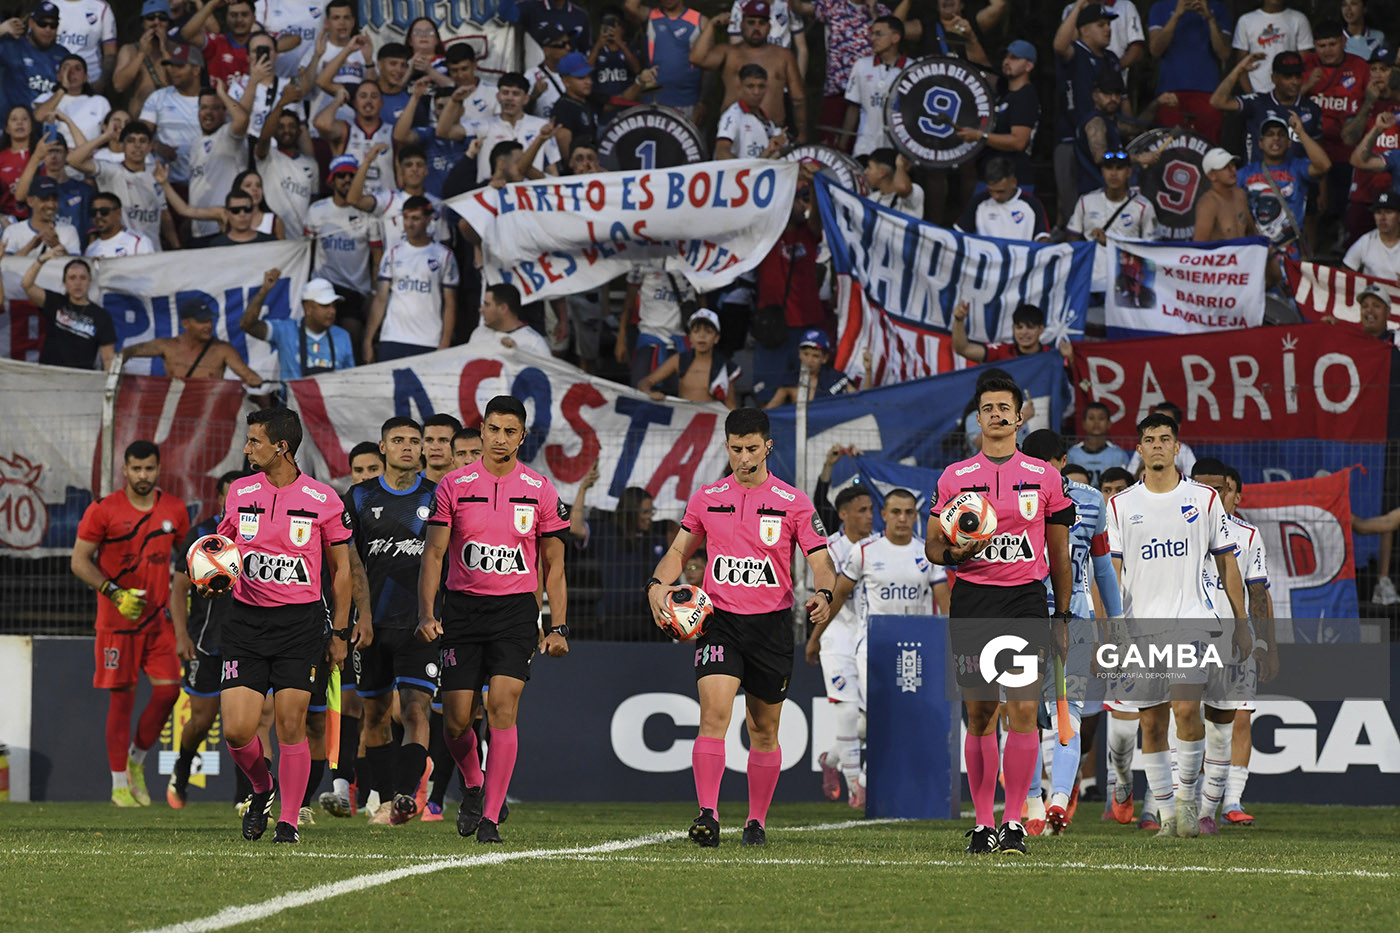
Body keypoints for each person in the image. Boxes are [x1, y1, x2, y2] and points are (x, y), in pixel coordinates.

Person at [647, 406, 835, 847]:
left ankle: (755, 822)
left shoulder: (794, 502)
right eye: (736, 448)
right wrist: (658, 584)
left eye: (752, 448)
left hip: (770, 627)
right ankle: (707, 816)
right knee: (713, 716)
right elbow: (678, 551)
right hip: (720, 621)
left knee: (763, 730)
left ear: (768, 446)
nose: (744, 457)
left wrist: (824, 594)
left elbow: (822, 562)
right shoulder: (707, 497)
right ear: (727, 446)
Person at [927, 375, 1075, 856]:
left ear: (1018, 415)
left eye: (1002, 407)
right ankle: (983, 823)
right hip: (973, 599)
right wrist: (955, 552)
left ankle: (1014, 822)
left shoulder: (1043, 475)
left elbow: (1059, 552)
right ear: (978, 416)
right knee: (981, 713)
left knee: (1025, 710)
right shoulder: (954, 477)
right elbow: (932, 545)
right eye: (986, 407)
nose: (994, 414)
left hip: (1025, 602)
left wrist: (1064, 613)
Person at [418, 395, 571, 843]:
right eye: (493, 429)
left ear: (522, 437)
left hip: (515, 613)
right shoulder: (454, 486)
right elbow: (434, 553)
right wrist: (427, 612)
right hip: (462, 611)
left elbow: (554, 566)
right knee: (456, 721)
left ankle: (489, 817)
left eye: (510, 431)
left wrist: (557, 625)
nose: (500, 438)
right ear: (481, 431)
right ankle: (473, 782)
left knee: (503, 708)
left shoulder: (540, 490)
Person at [211, 408, 357, 844]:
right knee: (238, 731)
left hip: (299, 625)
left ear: (282, 448)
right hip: (245, 622)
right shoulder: (239, 491)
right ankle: (262, 787)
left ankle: (289, 822)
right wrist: (211, 578)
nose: (246, 448)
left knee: (290, 725)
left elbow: (342, 572)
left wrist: (340, 633)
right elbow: (223, 549)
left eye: (254, 441)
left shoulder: (323, 499)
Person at [1105, 413, 1248, 839]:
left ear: (1176, 446)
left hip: (1193, 622)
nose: (1157, 446)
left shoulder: (1203, 499)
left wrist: (1242, 621)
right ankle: (1168, 818)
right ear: (1140, 449)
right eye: (1149, 440)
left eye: (1165, 439)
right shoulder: (1120, 505)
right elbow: (1111, 570)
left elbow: (1226, 560)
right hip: (1140, 628)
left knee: (1186, 710)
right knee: (1150, 723)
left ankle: (1189, 806)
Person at [812, 488, 949, 809]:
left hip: (915, 648)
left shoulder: (926, 554)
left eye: (909, 513)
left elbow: (945, 600)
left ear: (917, 517)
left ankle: (838, 761)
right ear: (884, 515)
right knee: (888, 715)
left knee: (880, 720)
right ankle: (861, 783)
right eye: (896, 512)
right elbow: (840, 595)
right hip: (873, 646)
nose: (903, 519)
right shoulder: (864, 551)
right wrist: (816, 636)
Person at [70, 440, 190, 807]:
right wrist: (114, 591)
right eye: (136, 469)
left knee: (169, 691)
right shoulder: (103, 510)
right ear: (125, 469)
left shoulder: (174, 509)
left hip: (158, 621)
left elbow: (186, 563)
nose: (143, 475)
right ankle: (118, 783)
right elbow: (79, 561)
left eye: (149, 469)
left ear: (158, 469)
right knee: (121, 702)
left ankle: (135, 762)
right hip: (116, 622)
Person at [1018, 429, 1122, 836]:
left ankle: (1034, 806)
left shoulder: (1011, 497)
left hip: (1022, 617)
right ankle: (1060, 796)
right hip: (1075, 617)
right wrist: (1115, 623)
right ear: (1064, 459)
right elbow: (1102, 569)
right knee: (1068, 711)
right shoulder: (1092, 500)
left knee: (1022, 716)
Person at [344, 417, 439, 825]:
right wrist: (361, 616)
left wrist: (434, 613)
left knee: (418, 710)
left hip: (421, 624)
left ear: (422, 449)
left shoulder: (439, 496)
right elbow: (351, 562)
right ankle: (384, 800)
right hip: (373, 625)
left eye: (414, 441)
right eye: (397, 440)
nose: (407, 447)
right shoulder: (360, 497)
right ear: (382, 447)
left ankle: (404, 795)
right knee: (376, 715)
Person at [1189, 459, 1274, 833]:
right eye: (1204, 488)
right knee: (1185, 715)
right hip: (1184, 637)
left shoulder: (1247, 535)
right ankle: (1182, 803)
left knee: (1235, 719)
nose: (1213, 496)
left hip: (1234, 641)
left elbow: (1258, 591)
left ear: (1232, 493)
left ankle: (1228, 801)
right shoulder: (1177, 528)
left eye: (1220, 489)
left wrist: (1267, 644)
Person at [167, 470, 242, 808]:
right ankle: (182, 769)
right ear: (219, 498)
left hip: (249, 642)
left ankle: (248, 797)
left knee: (249, 722)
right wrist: (182, 636)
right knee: (202, 719)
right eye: (228, 495)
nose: (233, 502)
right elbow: (179, 589)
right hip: (206, 643)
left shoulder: (260, 532)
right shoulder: (201, 534)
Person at [805, 483, 871, 804]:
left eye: (872, 510)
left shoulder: (878, 547)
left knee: (868, 719)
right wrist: (815, 638)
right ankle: (854, 787)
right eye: (862, 510)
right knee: (846, 710)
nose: (870, 516)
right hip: (836, 637)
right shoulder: (829, 549)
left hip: (869, 637)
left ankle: (830, 760)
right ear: (843, 514)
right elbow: (822, 596)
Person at [788, 0, 896, 148]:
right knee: (832, 149)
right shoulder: (833, 5)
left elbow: (893, 41)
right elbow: (799, 8)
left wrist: (874, 13)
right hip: (837, 91)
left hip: (870, 95)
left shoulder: (882, 11)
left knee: (865, 150)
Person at [364, 195, 459, 362]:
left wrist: (445, 342)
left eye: (416, 218)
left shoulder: (444, 255)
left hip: (428, 340)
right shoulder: (393, 253)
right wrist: (368, 339)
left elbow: (450, 303)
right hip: (393, 338)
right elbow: (380, 299)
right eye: (406, 218)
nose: (409, 224)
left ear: (429, 219)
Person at [304, 154, 384, 351]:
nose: (347, 179)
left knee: (352, 340)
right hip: (324, 284)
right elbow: (306, 251)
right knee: (318, 342)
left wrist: (373, 293)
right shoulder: (316, 209)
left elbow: (377, 257)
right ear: (332, 181)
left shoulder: (368, 213)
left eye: (352, 175)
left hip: (356, 290)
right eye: (341, 175)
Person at [1053, 2, 1122, 224]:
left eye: (1108, 24)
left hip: (1105, 142)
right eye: (1100, 25)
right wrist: (1079, 6)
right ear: (1084, 30)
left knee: (1104, 207)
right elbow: (1058, 46)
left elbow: (1124, 99)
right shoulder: (1076, 52)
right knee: (1072, 209)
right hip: (1070, 139)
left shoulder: (1111, 59)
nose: (1108, 29)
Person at [692, 3, 804, 139]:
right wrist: (711, 25)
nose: (756, 28)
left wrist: (802, 134)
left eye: (761, 23)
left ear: (769, 27)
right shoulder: (728, 52)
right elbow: (696, 58)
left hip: (772, 135)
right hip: (733, 135)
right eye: (751, 22)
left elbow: (798, 99)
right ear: (741, 25)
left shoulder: (784, 56)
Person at [68, 119, 176, 250]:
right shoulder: (111, 171)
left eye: (142, 141)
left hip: (151, 252)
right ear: (122, 145)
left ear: (149, 147)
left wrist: (176, 246)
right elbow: (73, 160)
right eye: (131, 141)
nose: (137, 146)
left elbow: (164, 214)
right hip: (120, 252)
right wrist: (105, 137)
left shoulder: (157, 173)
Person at [1067, 150, 1163, 295]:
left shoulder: (1143, 206)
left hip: (1123, 287)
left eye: (1119, 168)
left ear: (1129, 172)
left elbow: (1151, 251)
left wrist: (1110, 242)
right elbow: (1072, 242)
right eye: (1109, 168)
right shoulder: (1086, 201)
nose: (1113, 174)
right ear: (1102, 171)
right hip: (1089, 284)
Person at [1238, 112, 1330, 261]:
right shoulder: (1245, 173)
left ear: (1289, 142)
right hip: (1255, 253)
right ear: (1260, 143)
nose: (1276, 138)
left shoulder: (1298, 167)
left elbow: (1324, 165)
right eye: (1270, 134)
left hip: (1291, 253)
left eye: (1281, 134)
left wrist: (1301, 133)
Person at [1211, 50, 1324, 163]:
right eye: (1288, 76)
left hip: (1297, 179)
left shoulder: (1313, 109)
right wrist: (1239, 69)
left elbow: (1318, 157)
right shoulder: (1257, 102)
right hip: (1257, 178)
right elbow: (1217, 101)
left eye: (1298, 76)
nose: (1294, 81)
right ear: (1274, 78)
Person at [241, 270, 356, 381]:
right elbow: (247, 325)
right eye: (325, 305)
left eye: (334, 305)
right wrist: (264, 290)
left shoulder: (343, 336)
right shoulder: (285, 331)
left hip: (331, 400)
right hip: (294, 401)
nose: (332, 311)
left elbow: (348, 380)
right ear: (308, 308)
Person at [121, 297, 265, 384]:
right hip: (177, 415)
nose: (208, 326)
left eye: (209, 321)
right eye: (202, 321)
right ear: (185, 324)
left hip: (209, 414)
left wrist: (254, 381)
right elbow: (133, 350)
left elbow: (248, 376)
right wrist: (122, 356)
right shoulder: (168, 346)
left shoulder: (222, 350)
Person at [1147, 0, 1233, 142]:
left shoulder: (1218, 8)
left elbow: (1224, 53)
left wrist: (1210, 18)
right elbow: (1155, 50)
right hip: (1171, 91)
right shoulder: (1160, 7)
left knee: (1207, 148)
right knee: (1170, 147)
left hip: (1209, 92)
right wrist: (1176, 15)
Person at [957, 39, 1039, 186]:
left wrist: (979, 136)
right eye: (1006, 56)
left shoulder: (1025, 96)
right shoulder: (1005, 94)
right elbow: (981, 65)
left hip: (1012, 182)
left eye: (1014, 58)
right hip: (991, 176)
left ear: (1029, 66)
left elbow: (1018, 142)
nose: (1007, 61)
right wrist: (968, 35)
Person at [346, 141, 450, 253]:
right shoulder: (388, 200)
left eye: (419, 165)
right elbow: (353, 200)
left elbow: (444, 243)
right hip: (395, 269)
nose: (415, 169)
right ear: (401, 171)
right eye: (408, 165)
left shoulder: (437, 204)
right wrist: (367, 161)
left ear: (426, 170)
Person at [18, 253, 112, 368]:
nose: (78, 283)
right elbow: (26, 285)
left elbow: (108, 358)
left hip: (81, 380)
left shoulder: (101, 316)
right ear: (65, 282)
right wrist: (41, 260)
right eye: (72, 278)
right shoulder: (55, 302)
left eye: (83, 278)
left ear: (89, 282)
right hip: (49, 375)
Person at [639, 307, 740, 407]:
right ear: (690, 337)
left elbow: (731, 405)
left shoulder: (723, 367)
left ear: (716, 338)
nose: (702, 336)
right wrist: (649, 393)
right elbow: (645, 382)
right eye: (696, 331)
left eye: (708, 332)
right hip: (684, 419)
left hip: (710, 420)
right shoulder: (679, 360)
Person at [623, 0, 706, 122]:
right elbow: (630, 6)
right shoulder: (650, 16)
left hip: (689, 103)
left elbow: (709, 69)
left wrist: (703, 103)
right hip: (654, 101)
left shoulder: (701, 21)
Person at [252, 86, 316, 237]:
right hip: (270, 235)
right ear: (274, 130)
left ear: (299, 131)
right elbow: (263, 139)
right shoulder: (267, 157)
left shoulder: (312, 165)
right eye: (280, 127)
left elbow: (314, 204)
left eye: (292, 126)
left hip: (300, 241)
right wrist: (281, 104)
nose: (286, 130)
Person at [471, 72, 560, 179]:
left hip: (528, 194)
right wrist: (455, 101)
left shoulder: (542, 126)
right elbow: (446, 132)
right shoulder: (481, 126)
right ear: (498, 96)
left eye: (516, 94)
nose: (509, 98)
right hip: (491, 192)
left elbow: (553, 172)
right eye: (505, 92)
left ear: (526, 99)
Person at [315, 80, 396, 195]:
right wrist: (338, 100)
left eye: (374, 96)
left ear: (381, 103)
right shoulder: (345, 130)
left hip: (385, 205)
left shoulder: (393, 132)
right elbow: (320, 124)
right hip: (352, 205)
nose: (368, 101)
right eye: (363, 96)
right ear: (355, 103)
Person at [138, 41, 203, 184]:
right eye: (171, 65)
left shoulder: (212, 100)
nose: (173, 71)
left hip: (205, 182)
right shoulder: (158, 97)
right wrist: (157, 146)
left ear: (196, 70)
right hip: (166, 182)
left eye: (179, 66)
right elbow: (140, 133)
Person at [843, 15, 905, 158]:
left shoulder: (912, 69)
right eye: (872, 34)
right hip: (865, 146)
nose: (872, 39)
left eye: (879, 34)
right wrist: (842, 145)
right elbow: (853, 108)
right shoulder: (861, 65)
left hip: (898, 149)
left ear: (895, 38)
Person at [956, 157, 1051, 241]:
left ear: (1014, 182)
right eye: (991, 191)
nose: (995, 196)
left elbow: (1043, 238)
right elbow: (958, 235)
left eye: (1000, 191)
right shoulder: (978, 202)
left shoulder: (1032, 204)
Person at [1231, 0, 1313, 95]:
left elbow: (1306, 63)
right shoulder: (1246, 21)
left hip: (1289, 93)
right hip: (1257, 90)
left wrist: (1297, 94)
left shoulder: (1299, 19)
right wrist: (1252, 97)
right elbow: (1241, 65)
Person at [0, 2, 68, 115]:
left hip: (49, 126)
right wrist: (1, 30)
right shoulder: (12, 46)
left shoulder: (63, 54)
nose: (48, 29)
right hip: (14, 125)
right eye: (42, 24)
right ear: (31, 23)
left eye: (53, 25)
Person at [111, 1, 176, 117]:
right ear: (143, 23)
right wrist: (141, 54)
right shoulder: (129, 50)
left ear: (168, 23)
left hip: (170, 116)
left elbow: (181, 82)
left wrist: (164, 51)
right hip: (140, 121)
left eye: (162, 18)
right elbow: (119, 85)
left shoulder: (177, 49)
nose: (157, 22)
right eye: (150, 18)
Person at [33, 53, 110, 150]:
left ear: (86, 77)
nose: (71, 72)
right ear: (59, 76)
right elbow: (39, 116)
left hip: (91, 158)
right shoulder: (46, 97)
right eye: (66, 68)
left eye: (77, 69)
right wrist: (63, 88)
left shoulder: (100, 102)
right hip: (56, 156)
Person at [763, 329, 852, 408]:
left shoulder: (836, 378)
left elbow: (860, 402)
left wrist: (867, 372)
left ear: (825, 358)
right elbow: (770, 410)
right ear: (799, 353)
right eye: (806, 354)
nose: (809, 360)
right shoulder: (789, 381)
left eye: (815, 356)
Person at [713, 63, 785, 159]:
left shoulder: (767, 121)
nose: (756, 92)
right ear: (740, 87)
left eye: (761, 86)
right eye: (750, 86)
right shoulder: (733, 116)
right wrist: (745, 171)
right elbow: (721, 153)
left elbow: (759, 161)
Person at [953, 301, 1059, 364]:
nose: (1024, 332)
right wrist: (959, 320)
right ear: (1013, 328)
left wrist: (1071, 360)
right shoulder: (1002, 351)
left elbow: (1072, 380)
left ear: (1041, 329)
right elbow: (963, 349)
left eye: (1030, 327)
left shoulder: (1052, 356)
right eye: (1019, 327)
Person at [465, 282, 552, 358]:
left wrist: (518, 354)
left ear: (503, 308)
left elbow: (545, 375)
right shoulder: (478, 333)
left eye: (487, 305)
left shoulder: (534, 343)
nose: (481, 309)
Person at [1, 175, 81, 256]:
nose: (51, 205)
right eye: (44, 199)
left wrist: (57, 245)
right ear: (30, 201)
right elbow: (7, 265)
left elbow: (76, 267)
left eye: (55, 199)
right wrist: (30, 246)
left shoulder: (69, 231)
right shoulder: (13, 231)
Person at [181, 0, 258, 83]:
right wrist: (212, 4)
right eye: (233, 15)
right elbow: (187, 34)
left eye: (244, 15)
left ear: (254, 18)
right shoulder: (216, 42)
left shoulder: (264, 44)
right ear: (226, 18)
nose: (239, 20)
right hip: (217, 95)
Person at [1193, 147, 1257, 240]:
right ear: (1212, 175)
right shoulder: (1209, 203)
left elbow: (1251, 231)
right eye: (1225, 167)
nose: (1232, 170)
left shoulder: (1240, 194)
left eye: (1232, 165)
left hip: (1242, 253)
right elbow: (1199, 246)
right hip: (1223, 254)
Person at [53, 0, 116, 89]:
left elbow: (110, 53)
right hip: (52, 79)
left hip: (91, 81)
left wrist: (101, 83)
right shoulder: (49, 3)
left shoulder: (101, 7)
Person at [1067, 402, 1130, 487]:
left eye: (1101, 418)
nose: (1096, 422)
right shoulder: (1073, 454)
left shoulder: (1119, 454)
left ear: (1109, 424)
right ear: (1084, 423)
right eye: (1091, 418)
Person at [1126, 401, 1198, 475]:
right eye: (1156, 421)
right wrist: (1142, 466)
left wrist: (1169, 467)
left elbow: (1191, 478)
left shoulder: (1184, 450)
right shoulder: (1144, 447)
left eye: (1166, 422)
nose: (1157, 445)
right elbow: (1131, 479)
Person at [1343, 190, 1400, 279]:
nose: (1382, 217)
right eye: (1378, 212)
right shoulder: (1366, 241)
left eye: (1388, 212)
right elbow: (1344, 274)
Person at [84, 192, 154, 257]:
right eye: (94, 212)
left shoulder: (138, 242)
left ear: (118, 212)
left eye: (104, 211)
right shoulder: (91, 249)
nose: (98, 216)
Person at [863, 148, 922, 217]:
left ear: (882, 172)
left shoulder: (915, 191)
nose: (865, 172)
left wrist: (900, 166)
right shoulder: (873, 198)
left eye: (869, 167)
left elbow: (902, 188)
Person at [0, 105, 36, 219]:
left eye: (24, 119)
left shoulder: (42, 153)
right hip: (7, 218)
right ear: (7, 129)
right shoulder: (1, 157)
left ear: (31, 126)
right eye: (14, 119)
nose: (19, 123)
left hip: (39, 217)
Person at [421, 414, 461, 485]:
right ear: (423, 446)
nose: (435, 447)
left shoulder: (473, 484)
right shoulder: (406, 485)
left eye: (443, 440)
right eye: (429, 440)